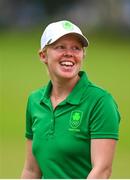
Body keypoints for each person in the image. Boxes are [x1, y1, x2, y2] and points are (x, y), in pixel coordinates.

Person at [21, 20, 120, 179]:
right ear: (43, 55)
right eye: (60, 47)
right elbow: (32, 170)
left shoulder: (100, 102)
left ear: (83, 55)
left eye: (76, 48)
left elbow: (102, 171)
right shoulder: (35, 101)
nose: (69, 53)